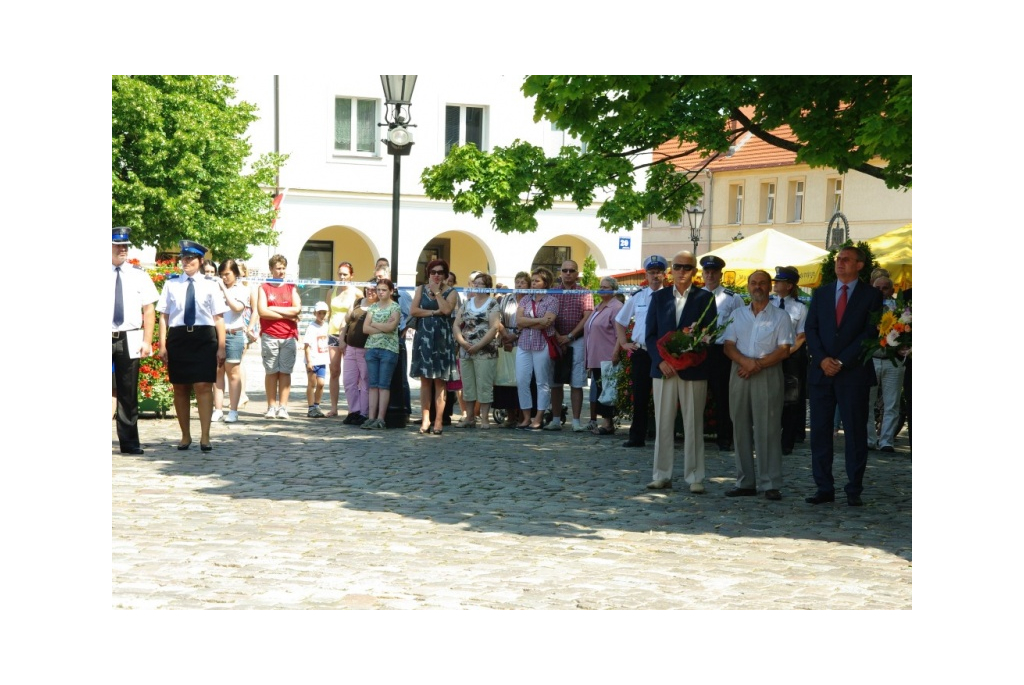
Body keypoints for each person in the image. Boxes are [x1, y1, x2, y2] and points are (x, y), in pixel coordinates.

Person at [804, 246, 883, 507]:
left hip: (853, 374)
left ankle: (854, 488)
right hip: (822, 373)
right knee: (820, 433)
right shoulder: (822, 293)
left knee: (855, 433)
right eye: (838, 259)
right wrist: (823, 359)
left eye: (846, 260)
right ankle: (823, 487)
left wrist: (841, 360)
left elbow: (870, 332)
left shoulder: (871, 295)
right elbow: (811, 329)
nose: (840, 263)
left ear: (859, 265)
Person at [644, 250, 717, 493]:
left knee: (693, 423)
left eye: (687, 268)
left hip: (693, 369)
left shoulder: (705, 298)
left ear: (695, 272)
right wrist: (659, 361)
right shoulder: (659, 297)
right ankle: (661, 474)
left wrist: (688, 356)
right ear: (671, 270)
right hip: (664, 370)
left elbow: (709, 334)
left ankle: (695, 476)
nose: (682, 272)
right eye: (678, 267)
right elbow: (650, 335)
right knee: (663, 423)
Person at [722, 270, 794, 500]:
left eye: (762, 283)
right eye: (754, 283)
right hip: (740, 372)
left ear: (770, 286)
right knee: (740, 426)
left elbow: (784, 350)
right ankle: (745, 482)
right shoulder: (737, 313)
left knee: (768, 427)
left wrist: (757, 365)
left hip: (768, 372)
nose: (758, 287)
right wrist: (746, 362)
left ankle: (770, 482)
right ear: (748, 286)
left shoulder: (780, 316)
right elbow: (728, 346)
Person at [156, 240, 228, 452]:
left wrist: (221, 346)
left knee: (203, 386)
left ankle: (205, 436)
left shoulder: (211, 285)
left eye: (190, 259)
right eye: (183, 258)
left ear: (200, 261)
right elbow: (164, 316)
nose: (186, 262)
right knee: (180, 386)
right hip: (179, 337)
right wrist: (162, 344)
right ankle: (185, 435)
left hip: (204, 337)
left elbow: (218, 318)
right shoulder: (172, 284)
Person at [111, 227, 159, 455]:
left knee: (128, 392)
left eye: (125, 246)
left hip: (130, 335)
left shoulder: (138, 274)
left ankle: (129, 442)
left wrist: (147, 340)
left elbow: (149, 310)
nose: (123, 249)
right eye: (118, 245)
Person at [615, 255, 667, 448]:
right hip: (642, 351)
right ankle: (637, 436)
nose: (655, 276)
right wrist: (623, 343)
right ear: (646, 274)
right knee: (640, 395)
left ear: (664, 274)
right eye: (652, 273)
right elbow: (620, 321)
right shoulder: (638, 296)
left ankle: (664, 437)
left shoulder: (670, 296)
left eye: (658, 273)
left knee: (665, 396)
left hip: (663, 353)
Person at [699, 255, 745, 451]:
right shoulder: (694, 296)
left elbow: (741, 324)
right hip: (699, 351)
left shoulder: (732, 298)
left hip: (721, 351)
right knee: (697, 395)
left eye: (714, 272)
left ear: (720, 274)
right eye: (707, 272)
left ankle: (724, 437)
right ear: (702, 274)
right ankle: (694, 435)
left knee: (722, 396)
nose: (710, 275)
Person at [409, 259, 460, 435]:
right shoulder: (421, 289)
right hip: (423, 338)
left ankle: (438, 420)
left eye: (440, 272)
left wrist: (438, 293)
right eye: (433, 272)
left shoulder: (451, 292)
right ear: (428, 274)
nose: (436, 275)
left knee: (440, 381)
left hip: (442, 340)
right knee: (425, 381)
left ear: (445, 275)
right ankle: (425, 419)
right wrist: (432, 312)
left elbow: (446, 310)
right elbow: (413, 310)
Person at [545, 259, 594, 432]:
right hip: (555, 339)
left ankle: (576, 421)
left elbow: (587, 317)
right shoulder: (552, 292)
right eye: (564, 270)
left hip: (577, 340)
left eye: (571, 270)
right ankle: (556, 420)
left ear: (577, 273)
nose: (568, 273)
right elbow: (547, 317)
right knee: (555, 381)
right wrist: (559, 337)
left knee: (577, 381)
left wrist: (570, 336)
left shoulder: (585, 293)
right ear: (560, 272)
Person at [452, 272, 501, 429]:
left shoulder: (493, 303)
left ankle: (485, 419)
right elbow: (456, 324)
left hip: (485, 350)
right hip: (466, 349)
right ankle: (469, 417)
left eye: (481, 283)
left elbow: (494, 327)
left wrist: (478, 345)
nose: (477, 286)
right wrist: (462, 342)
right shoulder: (467, 303)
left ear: (487, 286)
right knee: (468, 385)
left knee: (484, 384)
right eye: (476, 283)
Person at [515, 267, 559, 430]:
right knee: (522, 380)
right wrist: (538, 321)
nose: (533, 283)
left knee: (542, 381)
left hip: (542, 343)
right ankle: (526, 416)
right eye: (532, 280)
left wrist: (531, 321)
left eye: (537, 281)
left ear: (545, 283)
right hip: (524, 343)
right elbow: (518, 321)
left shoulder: (552, 300)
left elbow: (548, 321)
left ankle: (539, 417)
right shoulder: (525, 299)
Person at [258, 254, 301, 419]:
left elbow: (296, 309)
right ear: (271, 269)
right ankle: (271, 406)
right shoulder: (264, 287)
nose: (281, 271)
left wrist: (273, 309)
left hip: (288, 335)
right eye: (278, 268)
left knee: (285, 372)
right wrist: (286, 315)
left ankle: (283, 407)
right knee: (271, 371)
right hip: (270, 335)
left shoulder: (291, 287)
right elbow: (262, 311)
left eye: (283, 268)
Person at [865, 276, 906, 453]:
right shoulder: (866, 308)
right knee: (867, 403)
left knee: (892, 403)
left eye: (886, 288)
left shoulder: (901, 311)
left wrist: (905, 348)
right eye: (878, 287)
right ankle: (869, 439)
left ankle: (887, 441)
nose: (882, 291)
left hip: (893, 361)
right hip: (872, 359)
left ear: (892, 290)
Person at [771, 266, 808, 454]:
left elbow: (801, 335)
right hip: (770, 356)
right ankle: (769, 436)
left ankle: (787, 441)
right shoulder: (769, 304)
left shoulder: (800, 307)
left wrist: (787, 352)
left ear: (789, 285)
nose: (775, 284)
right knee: (771, 397)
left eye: (779, 281)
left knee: (791, 399)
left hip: (792, 357)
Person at [361, 278, 402, 430]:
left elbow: (392, 327)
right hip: (372, 348)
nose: (380, 292)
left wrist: (375, 325)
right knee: (373, 385)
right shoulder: (372, 307)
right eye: (378, 290)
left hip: (389, 349)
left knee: (383, 385)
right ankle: (371, 418)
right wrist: (383, 327)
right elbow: (365, 328)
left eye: (384, 290)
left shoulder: (395, 307)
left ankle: (381, 418)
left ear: (391, 291)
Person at [212, 259, 250, 424]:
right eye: (222, 275)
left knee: (233, 373)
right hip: (216, 333)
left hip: (234, 333)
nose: (224, 278)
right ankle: (218, 409)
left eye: (227, 274)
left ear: (235, 273)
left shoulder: (242, 289)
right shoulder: (216, 289)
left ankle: (233, 410)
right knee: (217, 372)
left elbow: (237, 308)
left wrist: (224, 289)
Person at [584, 276, 623, 435]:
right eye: (601, 286)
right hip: (596, 356)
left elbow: (620, 333)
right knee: (601, 388)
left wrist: (616, 352)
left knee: (607, 389)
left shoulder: (616, 307)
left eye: (606, 287)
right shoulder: (599, 306)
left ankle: (608, 424)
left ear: (614, 289)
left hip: (607, 355)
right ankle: (606, 421)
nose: (602, 289)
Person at [493, 271, 531, 427]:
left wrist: (515, 335)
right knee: (506, 379)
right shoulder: (506, 298)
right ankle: (510, 416)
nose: (519, 285)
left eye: (523, 282)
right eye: (517, 282)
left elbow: (527, 320)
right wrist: (505, 335)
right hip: (506, 339)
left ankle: (523, 416)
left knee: (521, 379)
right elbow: (498, 318)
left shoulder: (530, 300)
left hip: (523, 339)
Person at [326, 261, 362, 418]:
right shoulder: (332, 291)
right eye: (340, 273)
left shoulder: (357, 293)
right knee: (334, 370)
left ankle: (353, 407)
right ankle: (333, 407)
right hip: (332, 333)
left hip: (349, 334)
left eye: (345, 274)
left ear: (351, 276)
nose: (342, 277)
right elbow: (328, 313)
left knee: (353, 373)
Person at [303, 301, 331, 418]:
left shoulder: (326, 326)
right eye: (319, 313)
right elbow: (306, 345)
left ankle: (317, 404)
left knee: (321, 383)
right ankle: (311, 407)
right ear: (315, 313)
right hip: (313, 360)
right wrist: (309, 361)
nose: (322, 315)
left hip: (322, 359)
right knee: (312, 383)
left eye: (324, 313)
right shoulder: (311, 327)